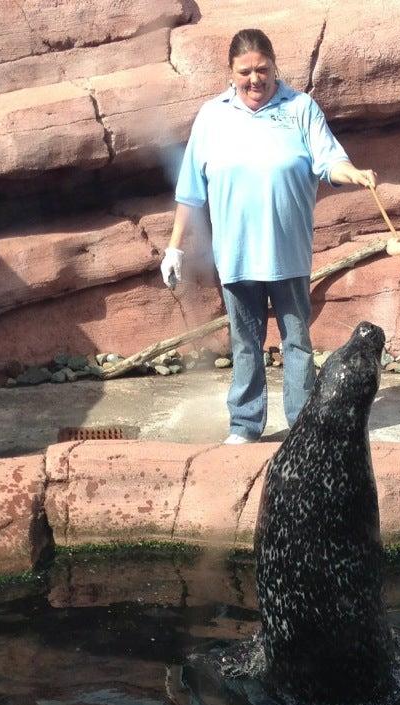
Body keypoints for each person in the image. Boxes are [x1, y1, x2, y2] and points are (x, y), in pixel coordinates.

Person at [161, 28, 377, 445]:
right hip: (236, 254)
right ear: (231, 73)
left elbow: (329, 160)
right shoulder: (212, 117)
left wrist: (352, 173)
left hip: (287, 253)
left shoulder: (299, 108)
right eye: (245, 71)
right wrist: (174, 248)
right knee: (245, 342)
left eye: (262, 69)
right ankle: (244, 425)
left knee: (297, 342)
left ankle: (303, 427)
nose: (254, 79)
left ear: (274, 67)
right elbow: (190, 192)